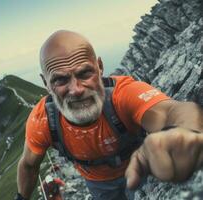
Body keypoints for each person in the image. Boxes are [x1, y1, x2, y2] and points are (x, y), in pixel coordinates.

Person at [15, 30, 203, 200]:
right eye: (60, 79)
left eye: (85, 73)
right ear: (45, 83)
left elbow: (169, 111)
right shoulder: (42, 120)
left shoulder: (122, 95)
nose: (76, 89)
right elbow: (29, 166)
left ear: (100, 67)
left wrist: (186, 130)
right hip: (99, 186)